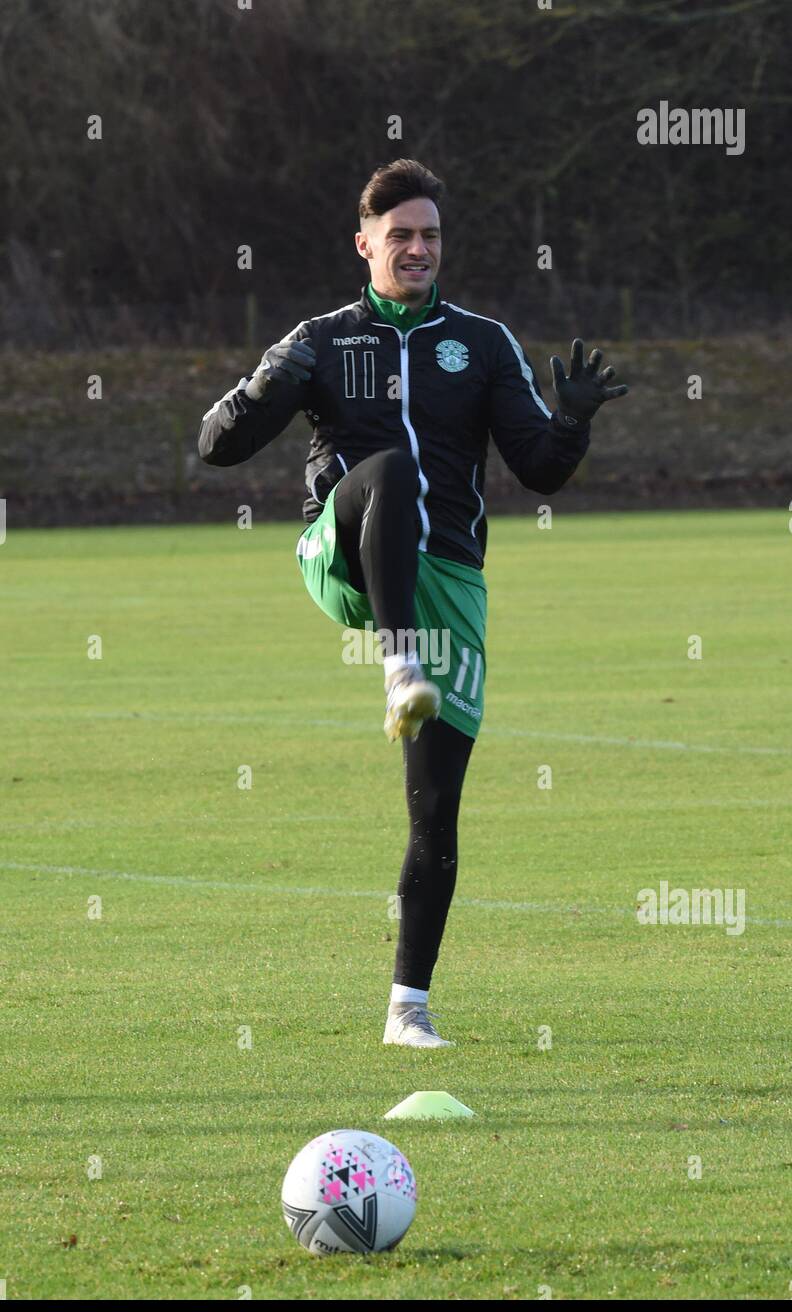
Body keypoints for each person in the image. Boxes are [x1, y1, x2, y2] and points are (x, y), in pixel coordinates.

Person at [198, 158, 628, 1049]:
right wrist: (268, 381)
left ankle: (408, 1010)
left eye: (430, 235)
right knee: (386, 474)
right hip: (342, 552)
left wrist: (574, 421)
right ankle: (400, 663)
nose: (418, 248)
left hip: (448, 580)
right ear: (365, 245)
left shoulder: (484, 343)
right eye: (400, 236)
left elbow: (539, 468)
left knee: (436, 808)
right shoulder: (322, 338)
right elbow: (216, 447)